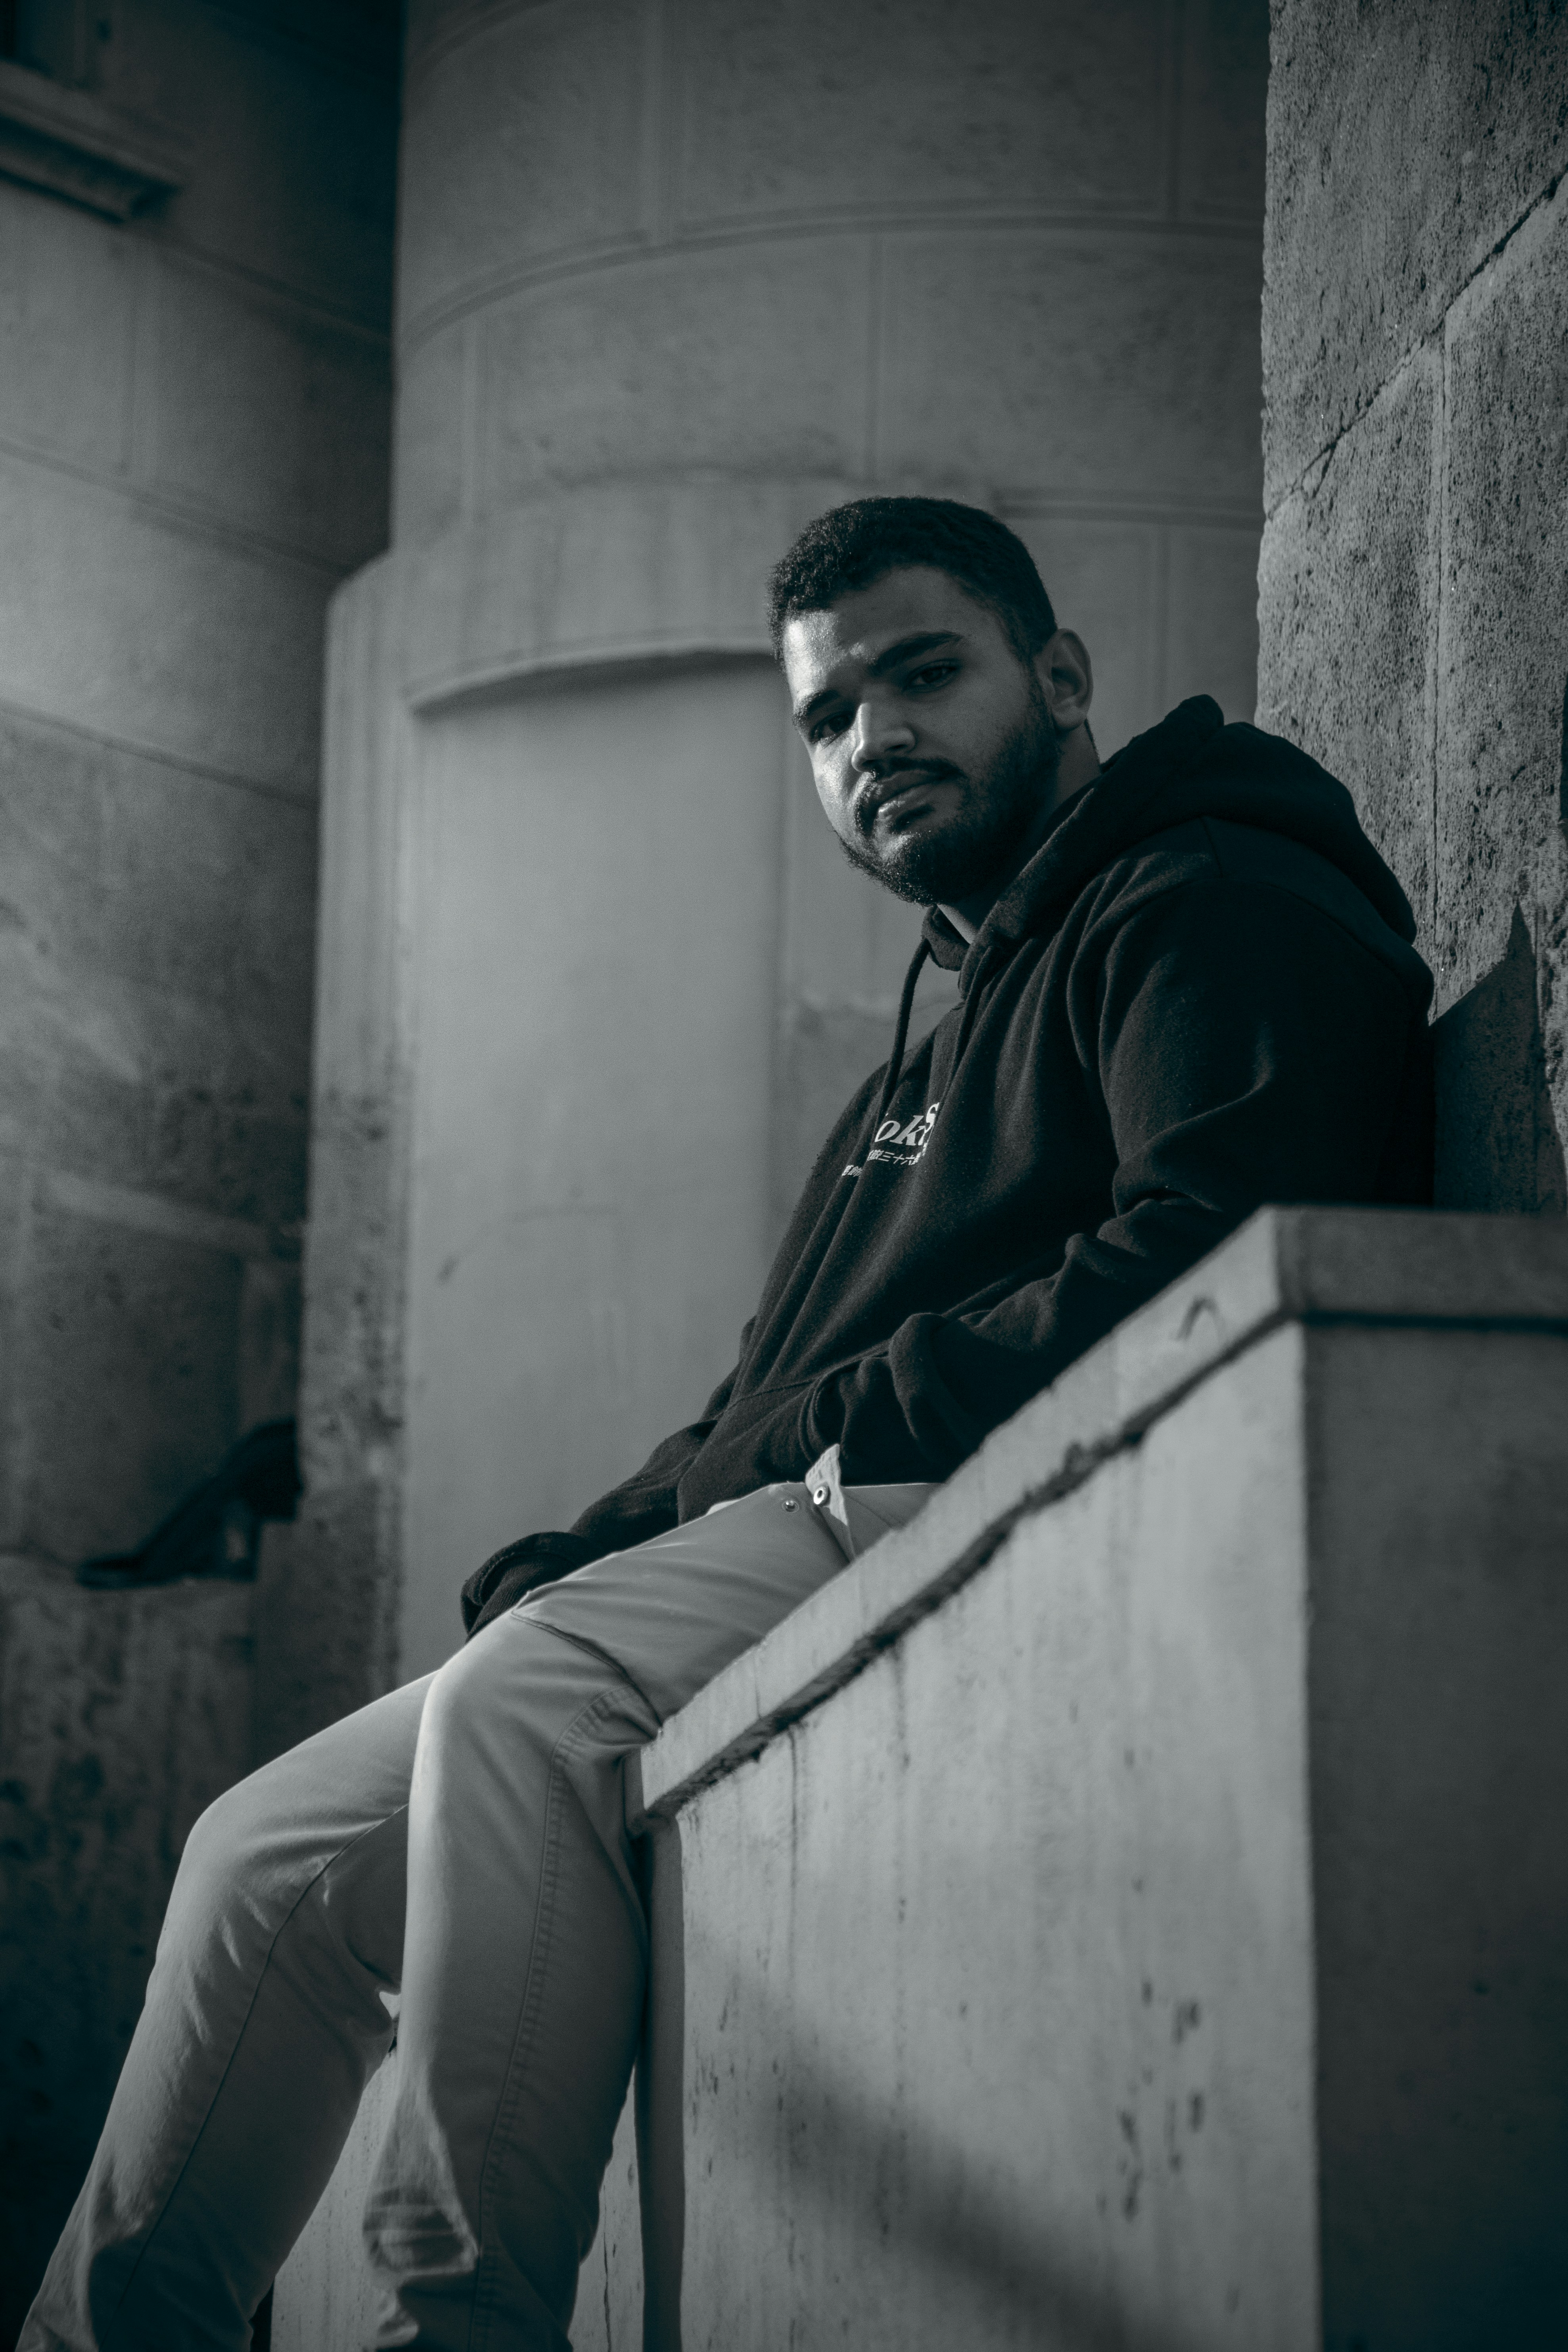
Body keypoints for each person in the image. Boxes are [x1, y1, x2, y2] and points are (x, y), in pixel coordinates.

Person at [23, 498, 1433, 2351]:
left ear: (1060, 676)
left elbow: (1218, 1227)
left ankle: (455, 2322)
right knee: (262, 1852)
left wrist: (799, 1447)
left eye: (922, 674)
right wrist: (594, 1537)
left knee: (539, 1699)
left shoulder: (1208, 891)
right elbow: (755, 1401)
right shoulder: (918, 1054)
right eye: (827, 718)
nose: (873, 743)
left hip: (973, 1483)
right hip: (822, 1495)